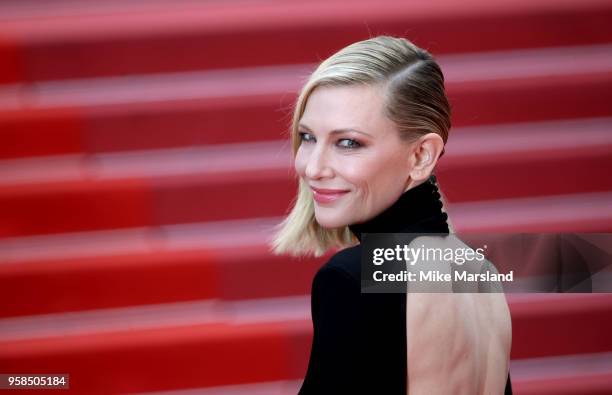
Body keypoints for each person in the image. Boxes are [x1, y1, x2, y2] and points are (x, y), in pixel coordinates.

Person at [271, 36, 512, 394]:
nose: (312, 167)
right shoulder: (477, 270)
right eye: (307, 137)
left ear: (420, 157)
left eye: (348, 142)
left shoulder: (353, 278)